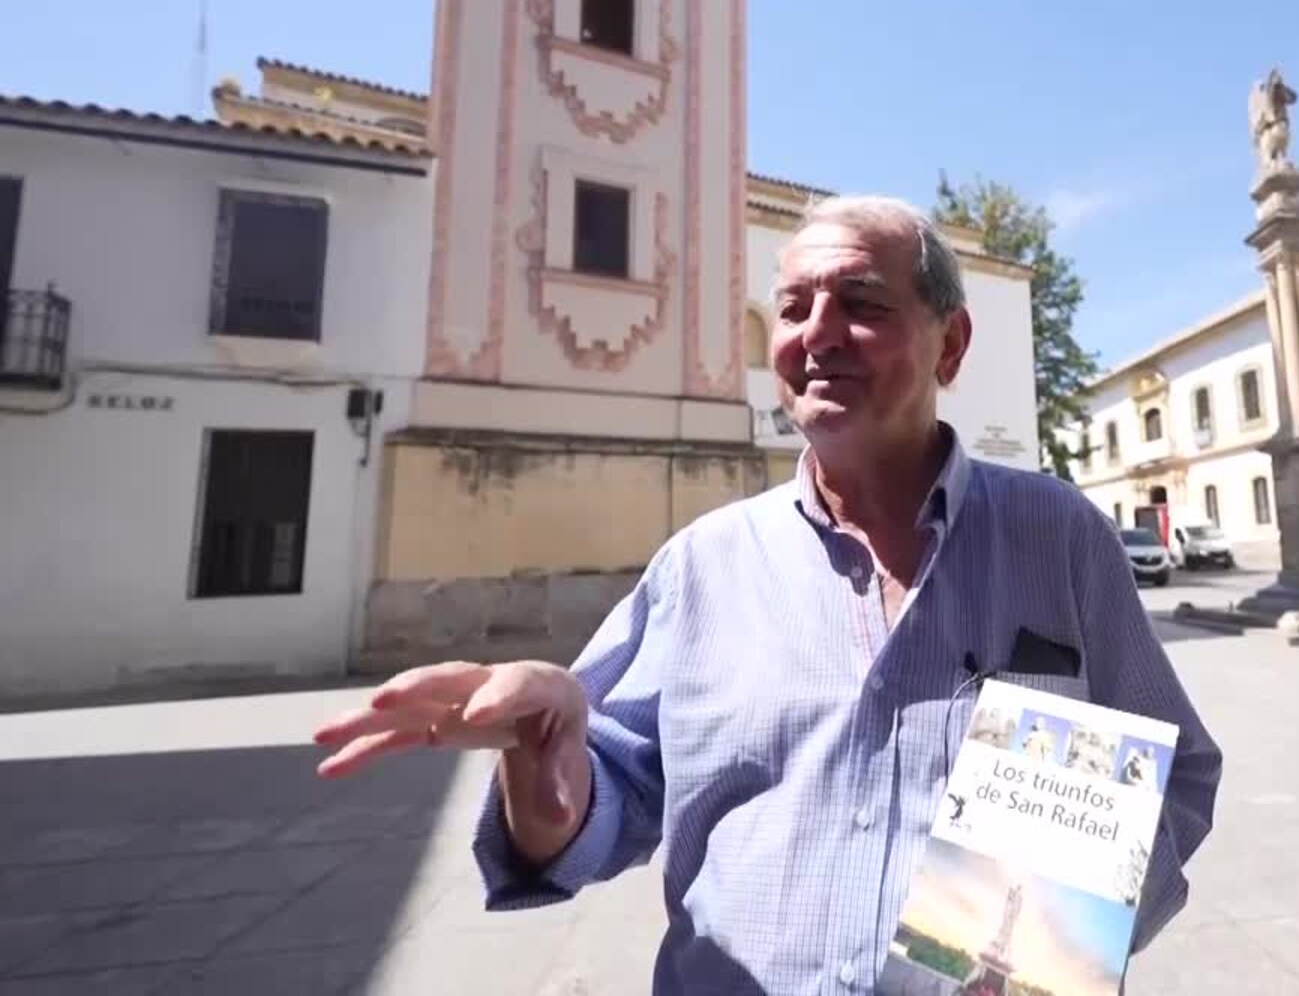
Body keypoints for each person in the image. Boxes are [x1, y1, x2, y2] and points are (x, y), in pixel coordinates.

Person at [313, 196, 1221, 992]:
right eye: (793, 308)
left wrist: (1034, 954)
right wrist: (545, 766)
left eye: (862, 304)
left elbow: (1172, 773)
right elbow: (606, 798)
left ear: (952, 342)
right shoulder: (702, 565)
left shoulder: (1056, 536)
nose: (817, 333)